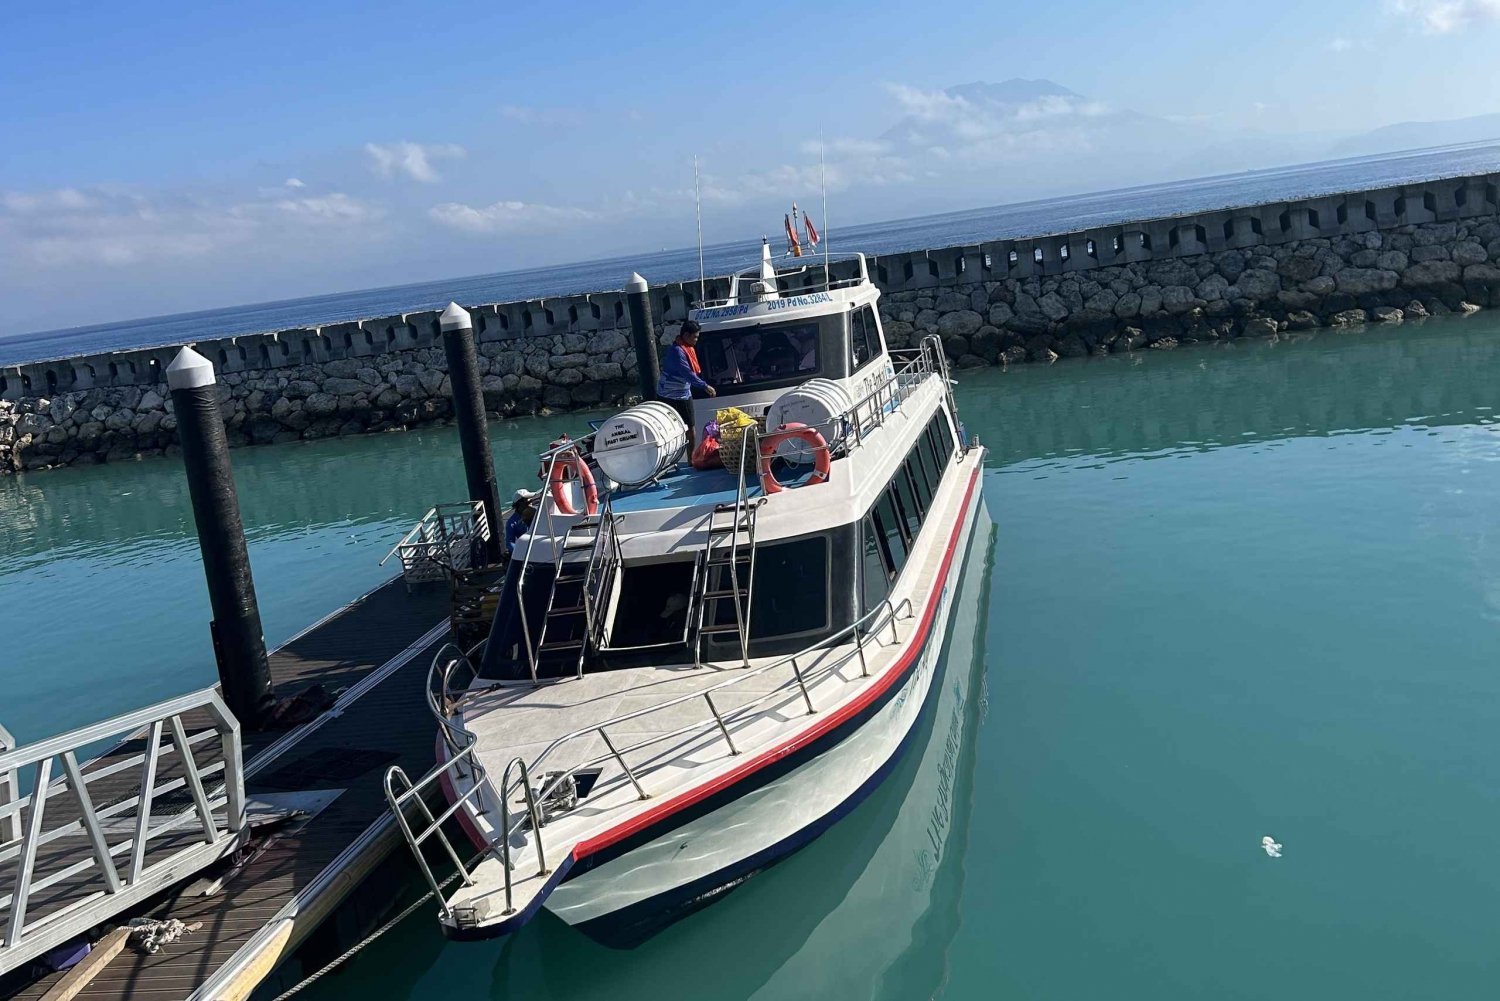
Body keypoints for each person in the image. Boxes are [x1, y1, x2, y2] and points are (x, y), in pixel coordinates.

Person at [656, 320, 716, 449]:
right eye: (695, 337)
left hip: (683, 392)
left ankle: (690, 459)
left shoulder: (686, 348)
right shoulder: (678, 351)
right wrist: (705, 386)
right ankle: (688, 459)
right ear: (686, 335)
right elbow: (687, 373)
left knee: (689, 428)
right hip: (671, 395)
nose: (696, 340)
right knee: (682, 429)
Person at [505, 488, 539, 555]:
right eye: (527, 500)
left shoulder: (538, 513)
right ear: (520, 504)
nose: (530, 502)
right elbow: (510, 543)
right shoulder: (511, 523)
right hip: (526, 549)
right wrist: (521, 552)